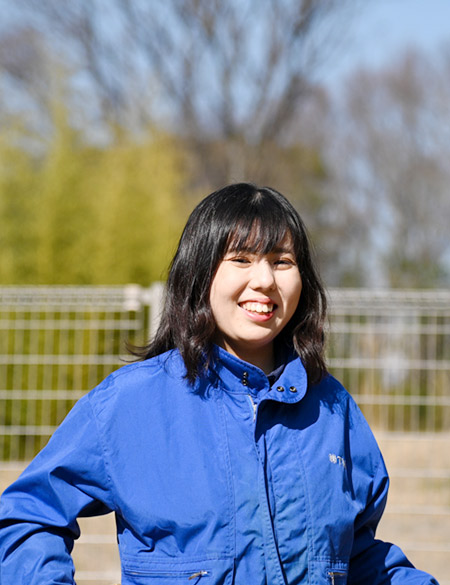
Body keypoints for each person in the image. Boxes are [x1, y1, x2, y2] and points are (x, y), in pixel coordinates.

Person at [0, 183, 439, 585]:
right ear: (200, 273)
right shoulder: (131, 403)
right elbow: (28, 517)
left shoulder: (332, 408)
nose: (264, 280)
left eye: (282, 261)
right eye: (241, 260)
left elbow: (354, 556)